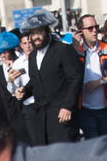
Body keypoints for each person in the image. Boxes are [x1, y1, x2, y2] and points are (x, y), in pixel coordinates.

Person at [20, 11, 81, 145]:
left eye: (39, 32)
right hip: (41, 117)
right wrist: (24, 90)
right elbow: (36, 81)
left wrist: (67, 106)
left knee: (64, 153)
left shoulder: (63, 49)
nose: (36, 37)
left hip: (61, 114)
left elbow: (75, 79)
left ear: (47, 31)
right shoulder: (33, 56)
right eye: (33, 33)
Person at [74, 14, 107, 140]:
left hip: (104, 105)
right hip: (84, 107)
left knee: (105, 141)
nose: (94, 31)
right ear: (81, 31)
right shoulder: (76, 50)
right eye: (90, 28)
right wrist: (74, 46)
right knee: (92, 140)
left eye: (96, 27)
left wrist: (99, 82)